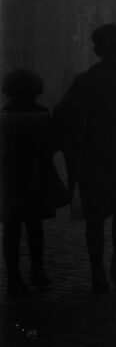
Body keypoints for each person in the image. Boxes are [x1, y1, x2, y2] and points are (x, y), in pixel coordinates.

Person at [55, 24, 116, 294]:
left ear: (97, 50)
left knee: (95, 218)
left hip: (91, 154)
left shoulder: (84, 81)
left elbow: (64, 114)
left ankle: (97, 271)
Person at [1, 69, 66, 297]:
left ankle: (13, 277)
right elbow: (52, 144)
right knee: (35, 228)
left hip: (10, 179)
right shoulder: (42, 114)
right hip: (37, 177)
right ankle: (37, 272)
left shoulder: (4, 116)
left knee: (11, 230)